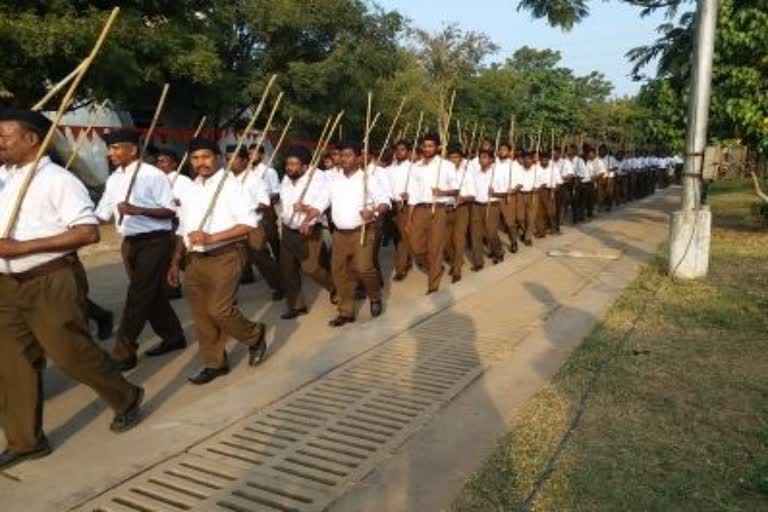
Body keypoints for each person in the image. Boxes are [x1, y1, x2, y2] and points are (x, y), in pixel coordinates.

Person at [0, 108, 144, 470]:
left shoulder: (58, 181)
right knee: (12, 364)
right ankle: (26, 441)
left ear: (32, 139)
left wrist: (23, 247)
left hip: (49, 278)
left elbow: (87, 232)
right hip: (6, 285)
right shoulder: (3, 178)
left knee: (69, 354)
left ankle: (125, 396)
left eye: (4, 136)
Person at [168, 138, 268, 385]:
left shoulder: (232, 186)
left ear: (218, 158)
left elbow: (248, 224)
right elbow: (183, 228)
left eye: (206, 157)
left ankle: (254, 335)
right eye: (195, 158)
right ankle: (215, 363)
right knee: (202, 315)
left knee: (219, 309)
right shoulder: (189, 188)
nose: (201, 162)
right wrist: (175, 260)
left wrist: (213, 236)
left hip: (225, 254)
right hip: (194, 258)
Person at [95, 129, 186, 368]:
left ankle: (124, 350)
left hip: (155, 241)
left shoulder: (153, 175)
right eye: (110, 148)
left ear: (133, 150)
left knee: (138, 294)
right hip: (130, 242)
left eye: (115, 148)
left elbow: (170, 211)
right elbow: (102, 212)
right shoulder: (114, 178)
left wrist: (138, 210)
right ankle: (174, 336)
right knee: (150, 294)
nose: (110, 153)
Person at [323, 143, 389, 327]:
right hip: (339, 233)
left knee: (363, 267)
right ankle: (346, 312)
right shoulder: (333, 180)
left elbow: (385, 202)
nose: (344, 159)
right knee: (340, 272)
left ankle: (375, 296)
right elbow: (323, 201)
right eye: (342, 155)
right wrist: (311, 212)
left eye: (349, 155)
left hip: (363, 230)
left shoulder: (369, 179)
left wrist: (373, 211)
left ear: (359, 158)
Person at [279, 145, 335, 319]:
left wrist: (307, 213)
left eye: (294, 164)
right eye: (288, 164)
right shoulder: (287, 178)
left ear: (304, 166)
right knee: (287, 269)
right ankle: (296, 305)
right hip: (288, 229)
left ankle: (335, 288)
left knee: (311, 268)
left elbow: (323, 201)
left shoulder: (318, 178)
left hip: (309, 229)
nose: (290, 167)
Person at [228, 145, 283, 300]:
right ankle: (228, 296)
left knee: (260, 257)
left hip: (253, 224)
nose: (230, 162)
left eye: (234, 159)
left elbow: (265, 203)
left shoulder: (255, 180)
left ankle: (280, 285)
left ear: (245, 160)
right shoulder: (227, 179)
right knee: (232, 260)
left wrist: (246, 207)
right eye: (228, 159)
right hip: (232, 225)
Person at [405, 133, 456, 294]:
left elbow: (456, 190)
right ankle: (435, 265)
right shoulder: (415, 167)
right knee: (416, 246)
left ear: (438, 147)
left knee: (435, 247)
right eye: (425, 145)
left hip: (438, 209)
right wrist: (409, 218)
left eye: (430, 146)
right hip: (419, 209)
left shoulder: (446, 165)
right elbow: (412, 194)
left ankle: (433, 283)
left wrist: (442, 192)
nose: (427, 149)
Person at [155, 147, 191, 300]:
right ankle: (172, 288)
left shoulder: (183, 181)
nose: (159, 165)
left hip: (178, 222)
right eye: (158, 162)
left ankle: (210, 283)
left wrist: (175, 201)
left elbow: (189, 202)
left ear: (174, 164)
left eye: (163, 162)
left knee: (181, 258)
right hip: (161, 223)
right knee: (165, 257)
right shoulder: (156, 180)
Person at [445, 143, 476, 282]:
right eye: (451, 157)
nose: (453, 160)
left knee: (459, 239)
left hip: (461, 209)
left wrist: (463, 197)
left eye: (456, 157)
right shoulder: (441, 172)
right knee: (446, 241)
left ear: (461, 159)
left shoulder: (467, 173)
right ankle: (456, 260)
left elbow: (473, 194)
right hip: (445, 209)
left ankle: (457, 269)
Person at [469, 148, 503, 270]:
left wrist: (494, 193)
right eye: (480, 157)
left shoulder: (497, 173)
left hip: (492, 205)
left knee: (491, 232)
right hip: (476, 205)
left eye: (485, 157)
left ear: (491, 160)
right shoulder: (475, 174)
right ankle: (478, 262)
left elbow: (504, 194)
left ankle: (498, 251)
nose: (482, 160)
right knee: (475, 234)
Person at [386, 140, 414, 281]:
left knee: (405, 237)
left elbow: (422, 188)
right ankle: (405, 262)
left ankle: (401, 268)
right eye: (397, 150)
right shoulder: (388, 170)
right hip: (392, 207)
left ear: (408, 151)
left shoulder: (414, 168)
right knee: (398, 238)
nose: (399, 152)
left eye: (402, 149)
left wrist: (410, 194)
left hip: (408, 206)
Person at [515, 150, 539, 246]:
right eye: (526, 159)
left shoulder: (537, 169)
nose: (528, 161)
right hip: (520, 194)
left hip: (533, 194)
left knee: (531, 218)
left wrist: (537, 187)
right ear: (523, 160)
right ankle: (526, 231)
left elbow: (542, 182)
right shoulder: (517, 169)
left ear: (532, 160)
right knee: (520, 217)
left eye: (530, 159)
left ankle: (527, 237)